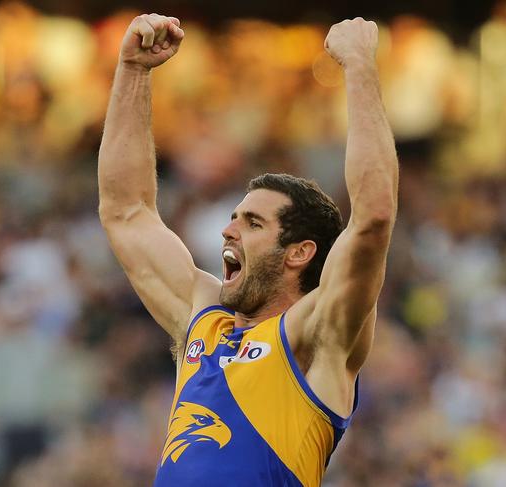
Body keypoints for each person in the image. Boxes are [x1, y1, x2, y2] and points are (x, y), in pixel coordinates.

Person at [98, 13, 398, 487]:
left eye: (252, 223)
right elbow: (126, 211)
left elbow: (374, 218)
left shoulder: (315, 335)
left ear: (298, 252)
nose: (227, 231)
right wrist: (133, 71)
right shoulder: (204, 317)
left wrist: (359, 65)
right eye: (234, 217)